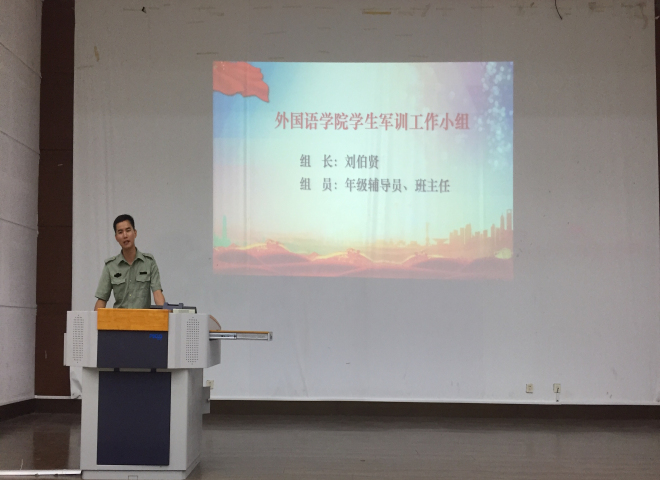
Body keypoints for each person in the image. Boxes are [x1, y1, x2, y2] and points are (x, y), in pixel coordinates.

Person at [94, 214, 165, 310]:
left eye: (128, 230)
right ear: (116, 237)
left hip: (143, 318)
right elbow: (102, 299)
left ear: (135, 233)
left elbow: (157, 294)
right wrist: (94, 318)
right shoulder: (110, 266)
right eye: (120, 232)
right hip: (119, 318)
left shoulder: (149, 262)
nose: (125, 235)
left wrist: (165, 315)